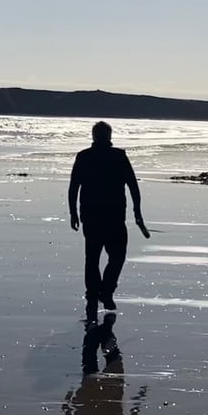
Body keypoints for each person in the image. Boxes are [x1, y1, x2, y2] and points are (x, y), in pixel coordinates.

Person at [68, 121, 145, 318]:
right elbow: (133, 186)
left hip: (98, 217)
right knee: (113, 257)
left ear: (95, 136)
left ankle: (98, 294)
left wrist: (73, 212)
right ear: (107, 136)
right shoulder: (115, 156)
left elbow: (74, 187)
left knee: (96, 259)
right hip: (111, 217)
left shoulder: (90, 156)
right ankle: (102, 292)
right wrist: (137, 212)